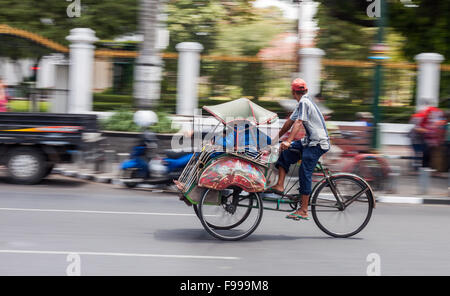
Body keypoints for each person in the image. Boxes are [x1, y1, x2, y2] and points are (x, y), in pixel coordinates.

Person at [270, 78, 330, 220]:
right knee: (285, 152)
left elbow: (298, 123)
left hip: (318, 144)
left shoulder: (304, 102)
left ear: (293, 92)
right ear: (306, 90)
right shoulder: (302, 103)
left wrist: (289, 140)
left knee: (304, 171)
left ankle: (303, 210)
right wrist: (275, 141)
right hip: (309, 141)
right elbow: (289, 123)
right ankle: (280, 185)